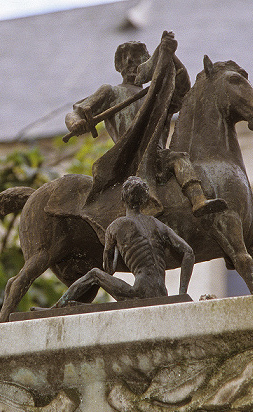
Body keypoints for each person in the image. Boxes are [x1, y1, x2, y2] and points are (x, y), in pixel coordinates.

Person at [66, 32, 227, 217]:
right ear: (118, 66)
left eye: (136, 58)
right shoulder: (110, 92)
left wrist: (168, 55)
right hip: (129, 157)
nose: (130, 63)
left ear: (148, 64)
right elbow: (75, 113)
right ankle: (197, 200)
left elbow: (182, 89)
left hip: (157, 156)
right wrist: (75, 123)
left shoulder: (157, 95)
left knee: (179, 159)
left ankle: (199, 202)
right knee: (178, 158)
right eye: (124, 59)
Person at [54, 176, 194, 306]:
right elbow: (188, 252)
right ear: (144, 200)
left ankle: (58, 306)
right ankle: (74, 305)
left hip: (139, 293)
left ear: (123, 198)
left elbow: (108, 270)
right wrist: (181, 294)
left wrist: (114, 249)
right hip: (162, 293)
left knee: (95, 274)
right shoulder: (157, 224)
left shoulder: (116, 226)